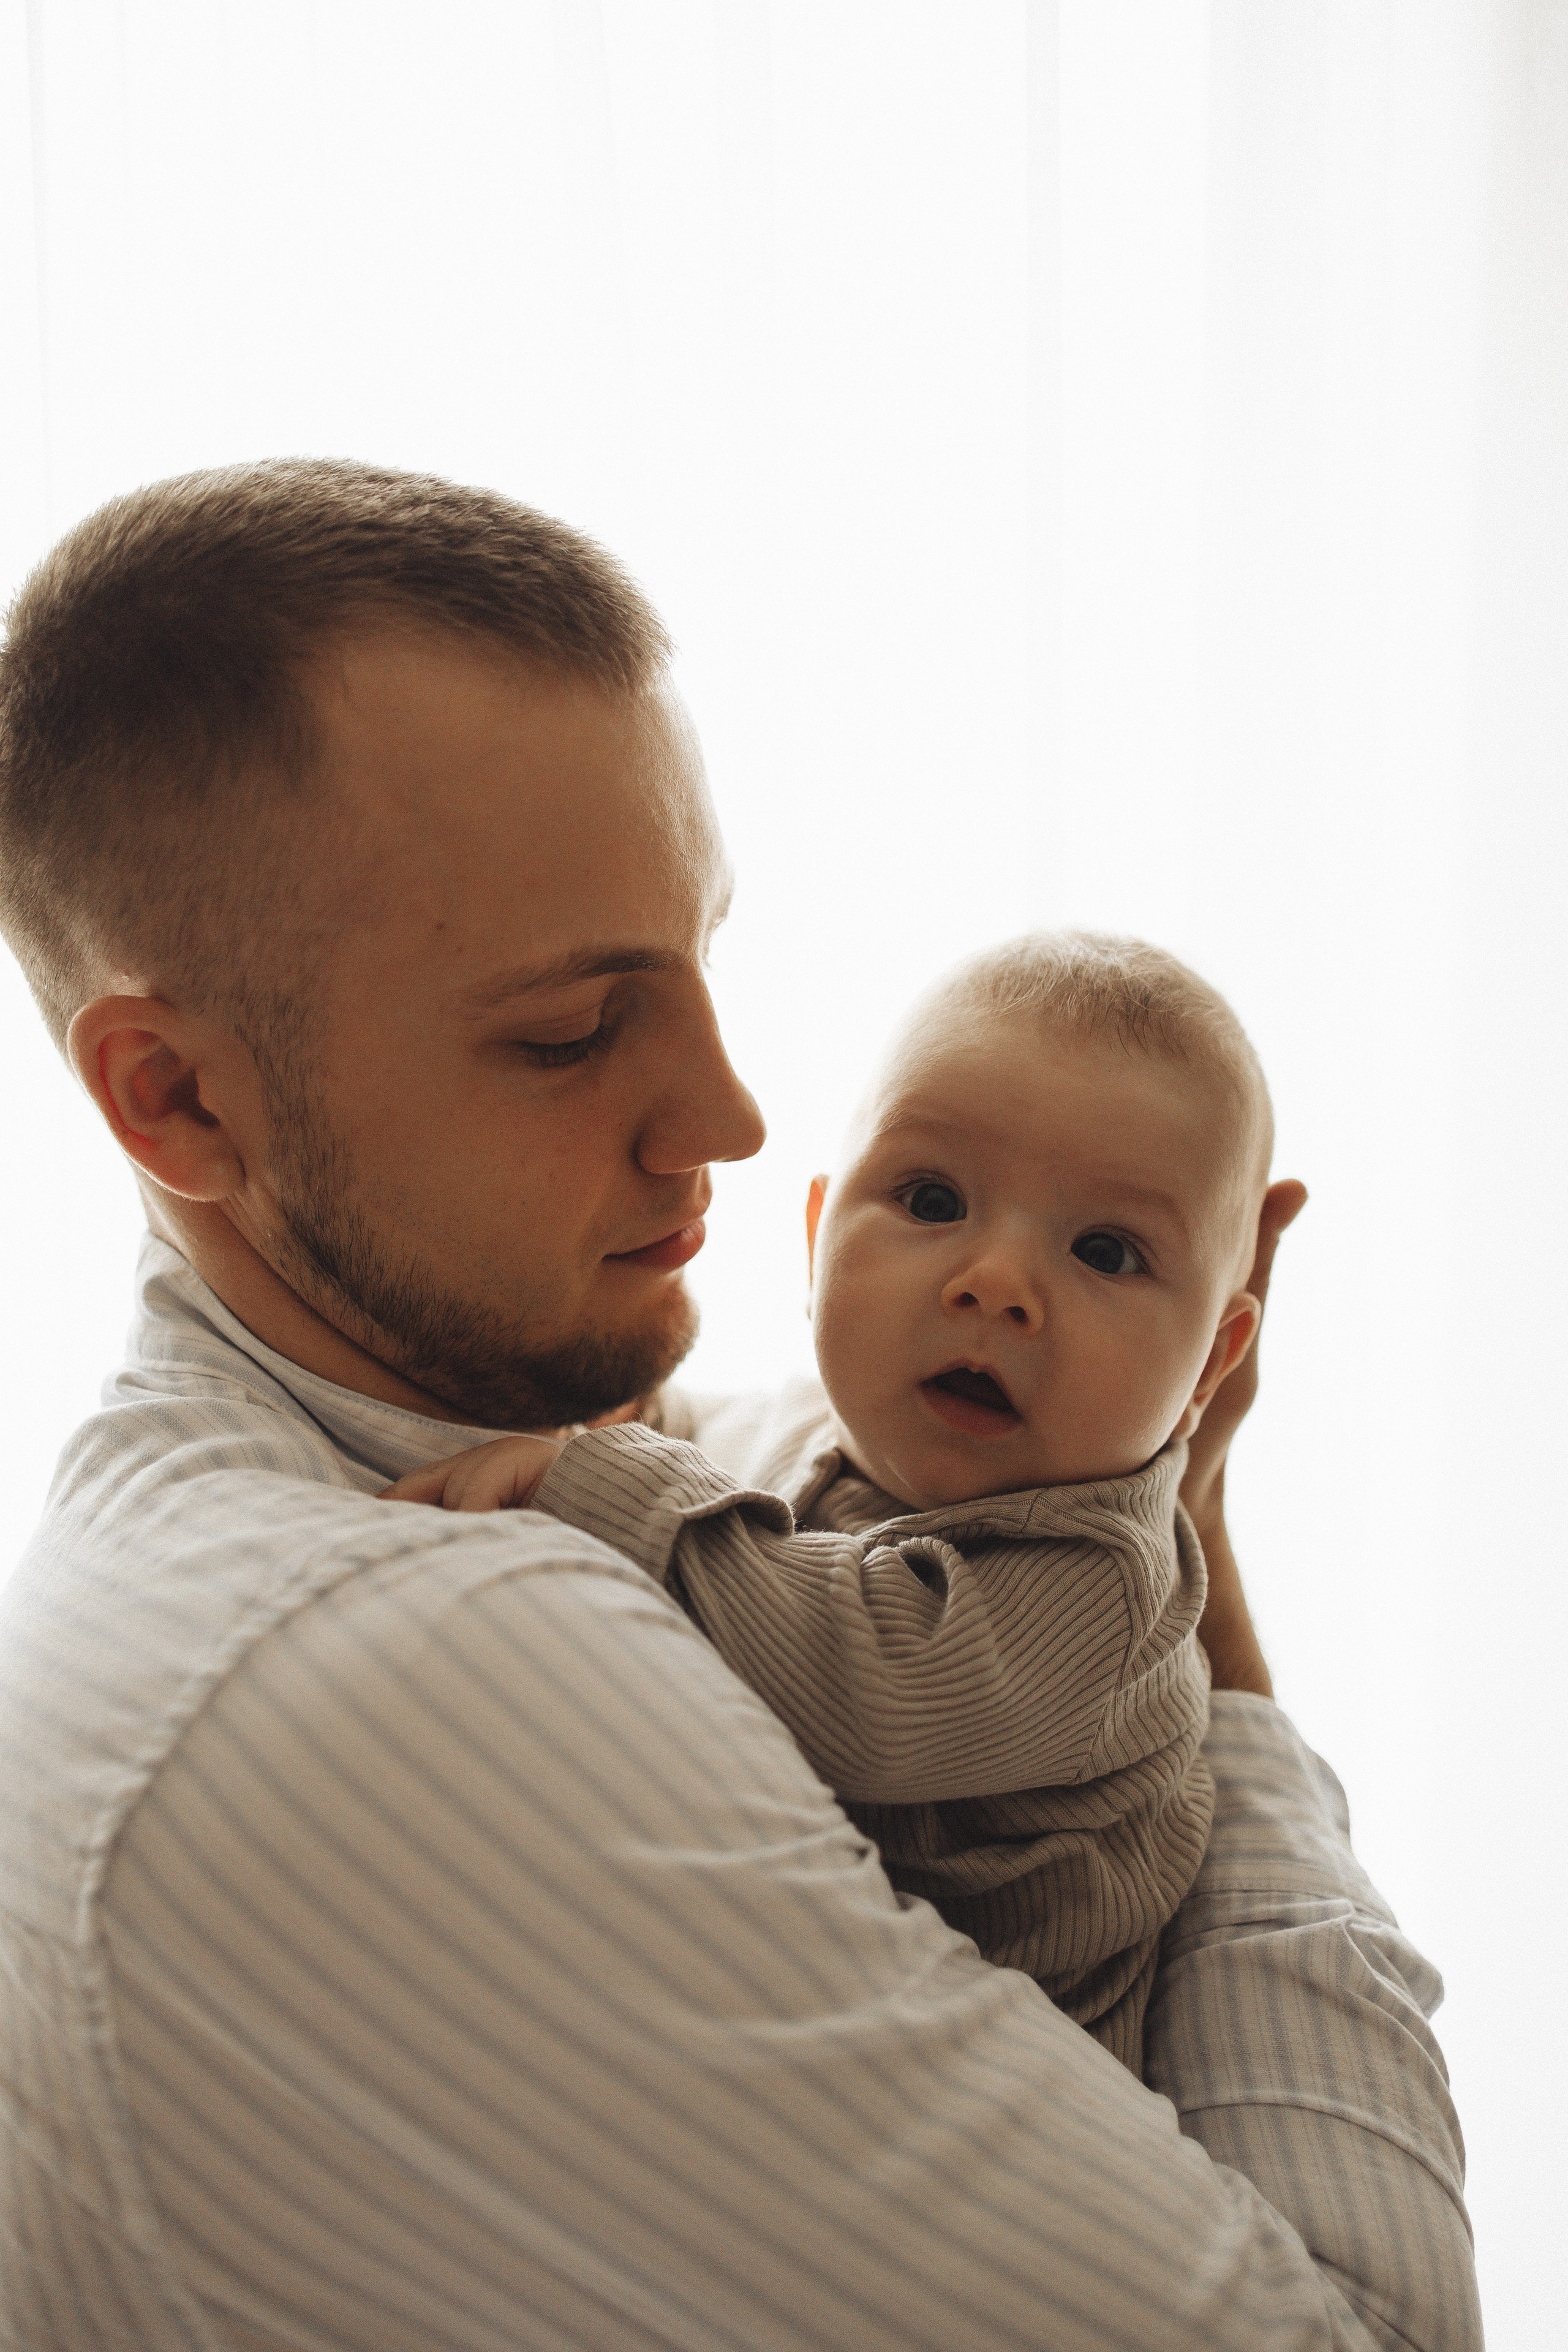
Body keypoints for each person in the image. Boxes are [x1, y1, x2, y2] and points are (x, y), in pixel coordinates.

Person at [0, 459, 1481, 2351]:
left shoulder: (241, 1501)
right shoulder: (425, 1665)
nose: (735, 1118)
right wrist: (1216, 1613)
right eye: (568, 1032)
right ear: (179, 1099)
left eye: (703, 960)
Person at [386, 931, 1273, 2078]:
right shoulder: (832, 1420)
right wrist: (619, 1417)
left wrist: (593, 1486)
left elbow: (865, 1674)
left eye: (1105, 1252)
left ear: (1210, 1365)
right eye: (932, 1198)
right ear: (816, 1243)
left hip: (991, 2087)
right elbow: (708, 1443)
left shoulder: (1104, 1594)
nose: (996, 1285)